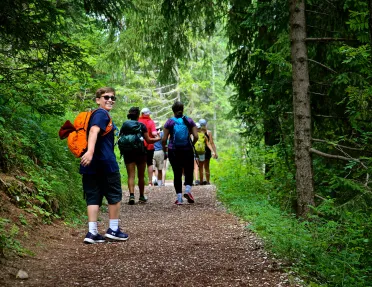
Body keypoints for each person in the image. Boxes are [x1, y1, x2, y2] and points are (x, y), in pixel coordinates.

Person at [80, 87, 128, 244]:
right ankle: (113, 229)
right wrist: (91, 152)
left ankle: (92, 233)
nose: (110, 100)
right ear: (98, 100)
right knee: (114, 195)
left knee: (93, 197)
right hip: (105, 163)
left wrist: (88, 154)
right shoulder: (101, 114)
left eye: (113, 98)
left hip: (90, 165)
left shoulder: (93, 114)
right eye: (106, 97)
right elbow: (94, 131)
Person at [120, 107, 160, 205]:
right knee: (141, 176)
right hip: (140, 152)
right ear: (138, 115)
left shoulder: (125, 124)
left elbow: (120, 136)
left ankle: (132, 196)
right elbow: (148, 140)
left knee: (131, 175)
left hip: (128, 152)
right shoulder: (141, 125)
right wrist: (158, 138)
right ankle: (141, 196)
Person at [162, 101, 198, 205]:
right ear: (183, 109)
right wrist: (191, 144)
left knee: (177, 173)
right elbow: (196, 136)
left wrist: (165, 150)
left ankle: (179, 198)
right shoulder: (189, 120)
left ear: (173, 110)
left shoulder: (169, 122)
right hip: (187, 149)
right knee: (188, 170)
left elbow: (164, 139)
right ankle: (187, 191)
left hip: (174, 150)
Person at [138, 108, 158, 186]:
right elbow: (154, 133)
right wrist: (157, 133)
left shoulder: (138, 121)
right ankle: (150, 182)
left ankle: (141, 180)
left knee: (141, 163)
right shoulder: (151, 122)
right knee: (149, 163)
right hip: (149, 145)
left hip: (139, 145)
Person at [199, 119, 218, 185]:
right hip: (207, 150)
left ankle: (201, 181)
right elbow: (211, 143)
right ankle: (207, 181)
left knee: (200, 166)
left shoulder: (198, 131)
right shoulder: (208, 132)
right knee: (207, 166)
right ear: (206, 124)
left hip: (199, 150)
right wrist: (215, 152)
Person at [195, 120, 214, 185]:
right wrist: (213, 151)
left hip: (195, 152)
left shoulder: (192, 134)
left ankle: (199, 181)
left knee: (198, 167)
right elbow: (210, 143)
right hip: (203, 151)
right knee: (206, 167)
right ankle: (207, 181)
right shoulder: (206, 133)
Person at [152, 122, 165, 186]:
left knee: (152, 168)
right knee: (160, 169)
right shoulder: (162, 134)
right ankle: (159, 183)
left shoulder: (150, 134)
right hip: (160, 151)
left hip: (152, 152)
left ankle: (154, 179)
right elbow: (164, 143)